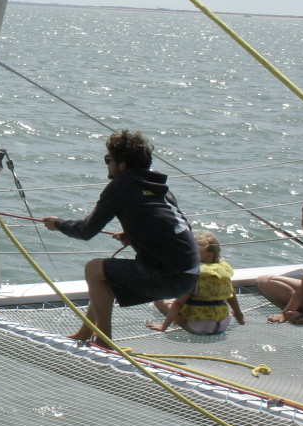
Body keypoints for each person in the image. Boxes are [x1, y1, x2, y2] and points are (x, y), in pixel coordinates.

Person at [42, 129, 199, 345]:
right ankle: (85, 333)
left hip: (170, 276)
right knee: (104, 275)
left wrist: (57, 224)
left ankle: (104, 341)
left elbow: (86, 230)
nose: (107, 164)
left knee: (93, 268)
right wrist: (133, 235)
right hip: (189, 276)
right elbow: (175, 227)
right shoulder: (160, 188)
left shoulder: (122, 186)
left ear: (123, 165)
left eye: (109, 159)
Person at [149, 231, 244, 333]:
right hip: (222, 325)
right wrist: (239, 315)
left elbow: (178, 303)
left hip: (198, 327)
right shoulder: (223, 271)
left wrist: (163, 326)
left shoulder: (196, 274)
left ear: (209, 255)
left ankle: (180, 324)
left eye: (194, 252)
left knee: (159, 302)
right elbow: (231, 295)